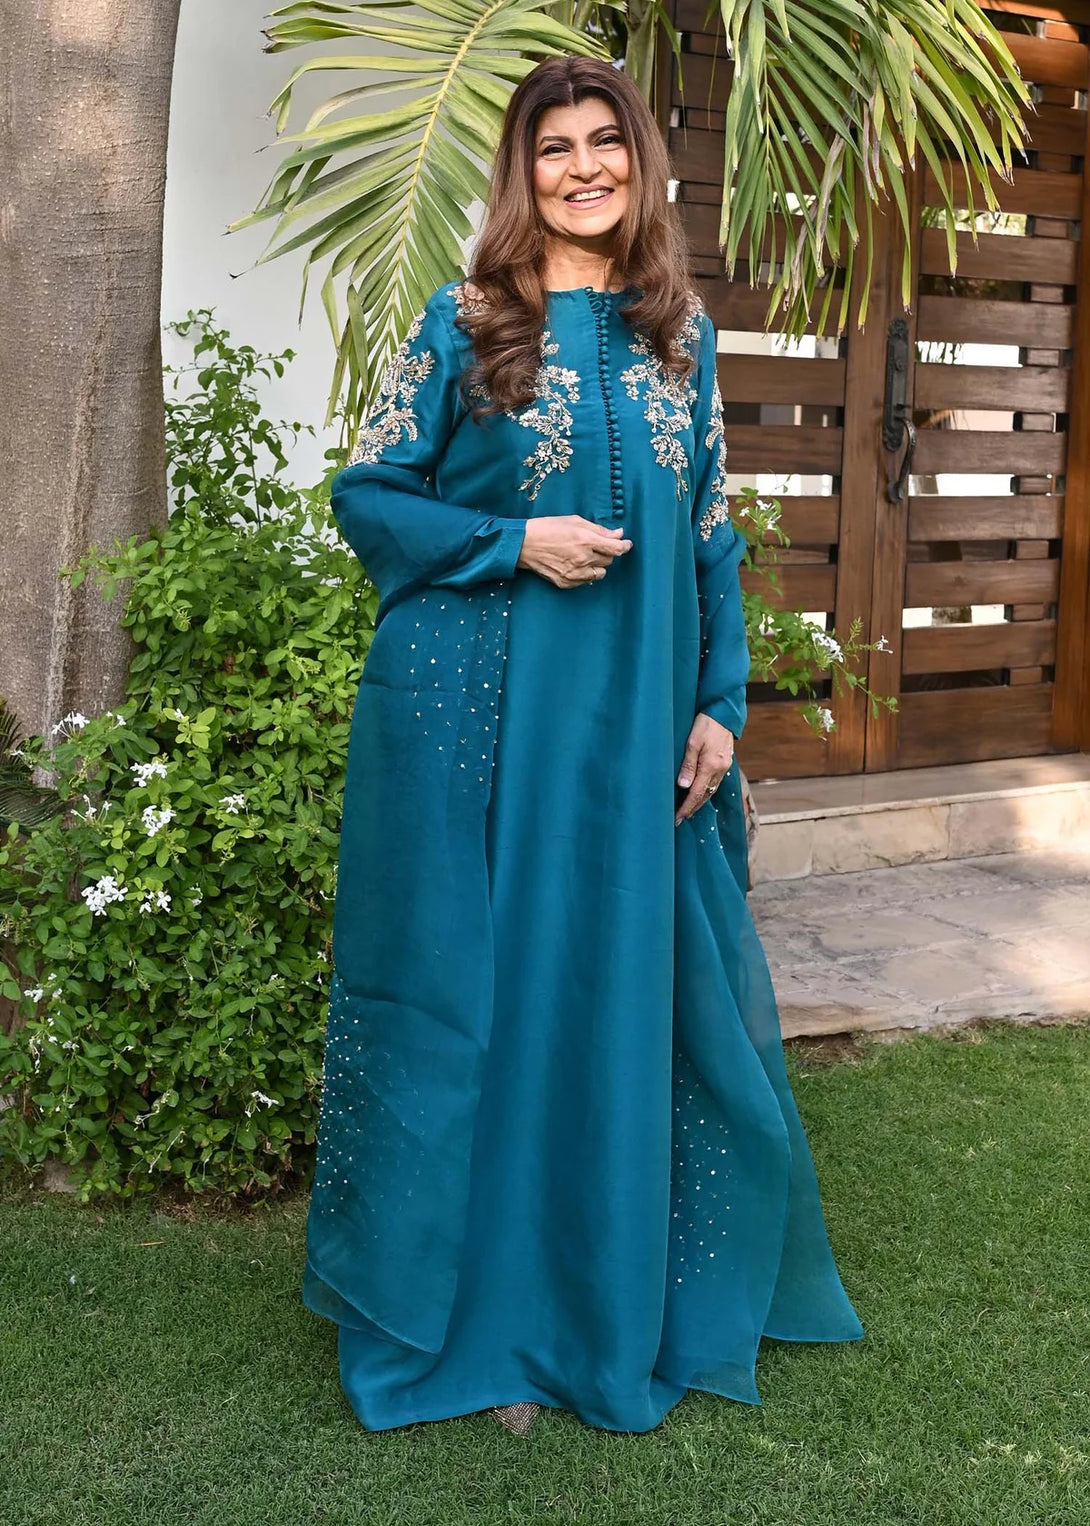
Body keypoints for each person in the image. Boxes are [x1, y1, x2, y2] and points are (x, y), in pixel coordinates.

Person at [302, 53, 863, 1437]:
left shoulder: (683, 336)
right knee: (486, 989)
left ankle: (597, 1300)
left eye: (602, 141)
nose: (581, 168)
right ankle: (483, 1315)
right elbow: (367, 497)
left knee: (613, 987)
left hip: (631, 732)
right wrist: (514, 540)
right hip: (480, 722)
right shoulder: (465, 321)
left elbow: (712, 537)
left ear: (638, 162)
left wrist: (719, 705)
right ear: (523, 172)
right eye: (552, 148)